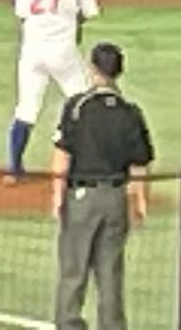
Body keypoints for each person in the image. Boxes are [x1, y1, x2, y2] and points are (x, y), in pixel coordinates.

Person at [51, 41, 154, 330]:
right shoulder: (130, 112)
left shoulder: (77, 107)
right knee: (110, 272)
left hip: (83, 197)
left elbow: (62, 154)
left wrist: (57, 196)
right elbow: (140, 163)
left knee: (74, 269)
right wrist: (139, 202)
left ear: (93, 69)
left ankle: (69, 324)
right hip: (115, 199)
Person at [6, 0, 99, 182]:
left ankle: (13, 168)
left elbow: (23, 15)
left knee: (26, 108)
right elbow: (88, 13)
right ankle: (84, 163)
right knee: (84, 105)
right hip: (63, 52)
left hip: (32, 51)